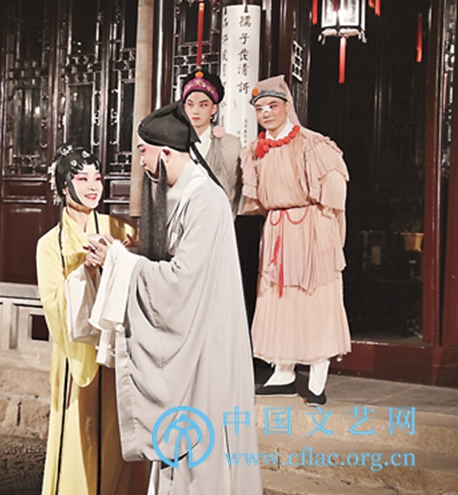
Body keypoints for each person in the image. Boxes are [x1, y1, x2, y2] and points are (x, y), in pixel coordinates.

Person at [87, 102, 262, 494]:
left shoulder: (204, 200)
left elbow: (182, 280)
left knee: (202, 445)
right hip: (195, 330)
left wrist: (119, 262)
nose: (141, 161)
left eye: (143, 152)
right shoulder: (185, 193)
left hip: (207, 342)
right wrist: (118, 257)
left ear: (165, 153)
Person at [35, 145, 148, 495]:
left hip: (117, 350)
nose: (92, 186)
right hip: (76, 356)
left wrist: (116, 260)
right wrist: (86, 271)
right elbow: (54, 305)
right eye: (81, 178)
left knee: (118, 435)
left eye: (96, 178)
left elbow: (142, 278)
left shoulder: (121, 229)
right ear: (63, 186)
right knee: (78, 433)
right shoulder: (49, 245)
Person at [240, 75, 351, 406]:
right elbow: (256, 201)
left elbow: (335, 196)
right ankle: (283, 372)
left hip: (313, 226)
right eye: (260, 108)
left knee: (315, 298)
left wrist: (328, 237)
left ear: (287, 106)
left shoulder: (313, 144)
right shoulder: (255, 151)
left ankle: (317, 376)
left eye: (272, 106)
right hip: (278, 228)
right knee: (278, 297)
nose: (266, 113)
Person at [182, 69, 242, 216]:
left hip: (218, 218)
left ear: (214, 108)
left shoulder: (230, 145)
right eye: (190, 104)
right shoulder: (173, 144)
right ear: (183, 107)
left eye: (203, 105)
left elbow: (234, 191)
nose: (195, 111)